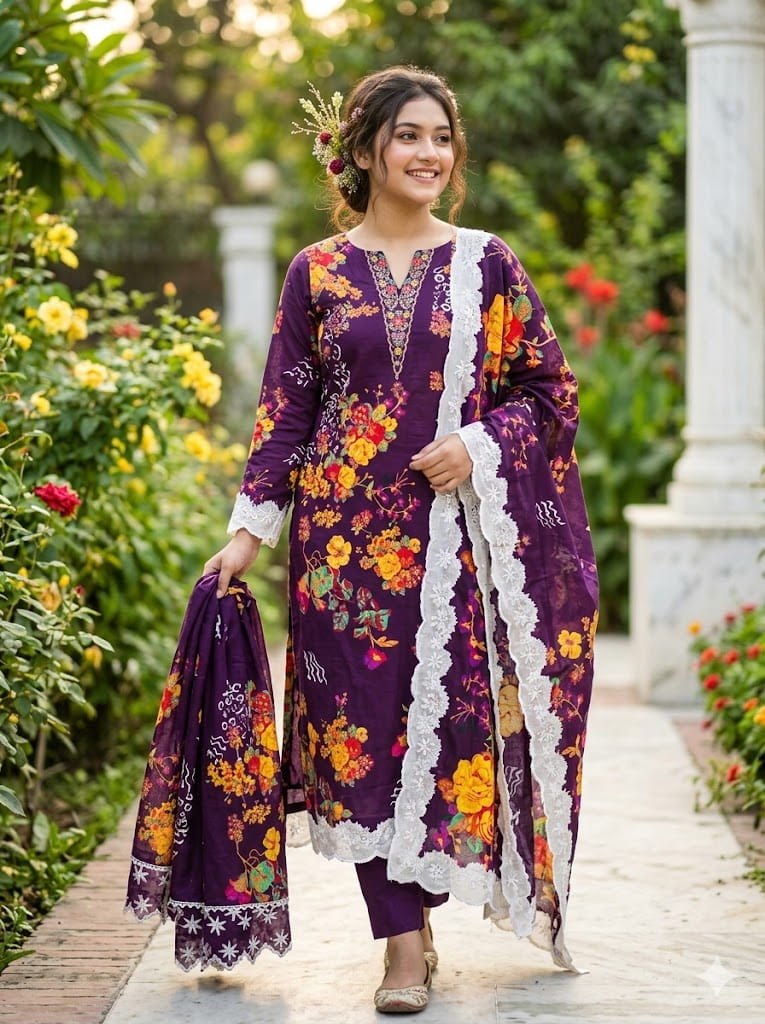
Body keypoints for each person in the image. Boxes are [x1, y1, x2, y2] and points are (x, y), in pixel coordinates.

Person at [204, 65, 598, 1014]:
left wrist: (477, 443)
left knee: (447, 734)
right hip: (340, 560)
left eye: (441, 138)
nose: (429, 154)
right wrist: (247, 536)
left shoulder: (487, 264)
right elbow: (286, 411)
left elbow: (551, 392)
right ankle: (403, 949)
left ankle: (420, 916)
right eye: (409, 136)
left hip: (456, 554)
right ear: (364, 150)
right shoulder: (316, 272)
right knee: (357, 742)